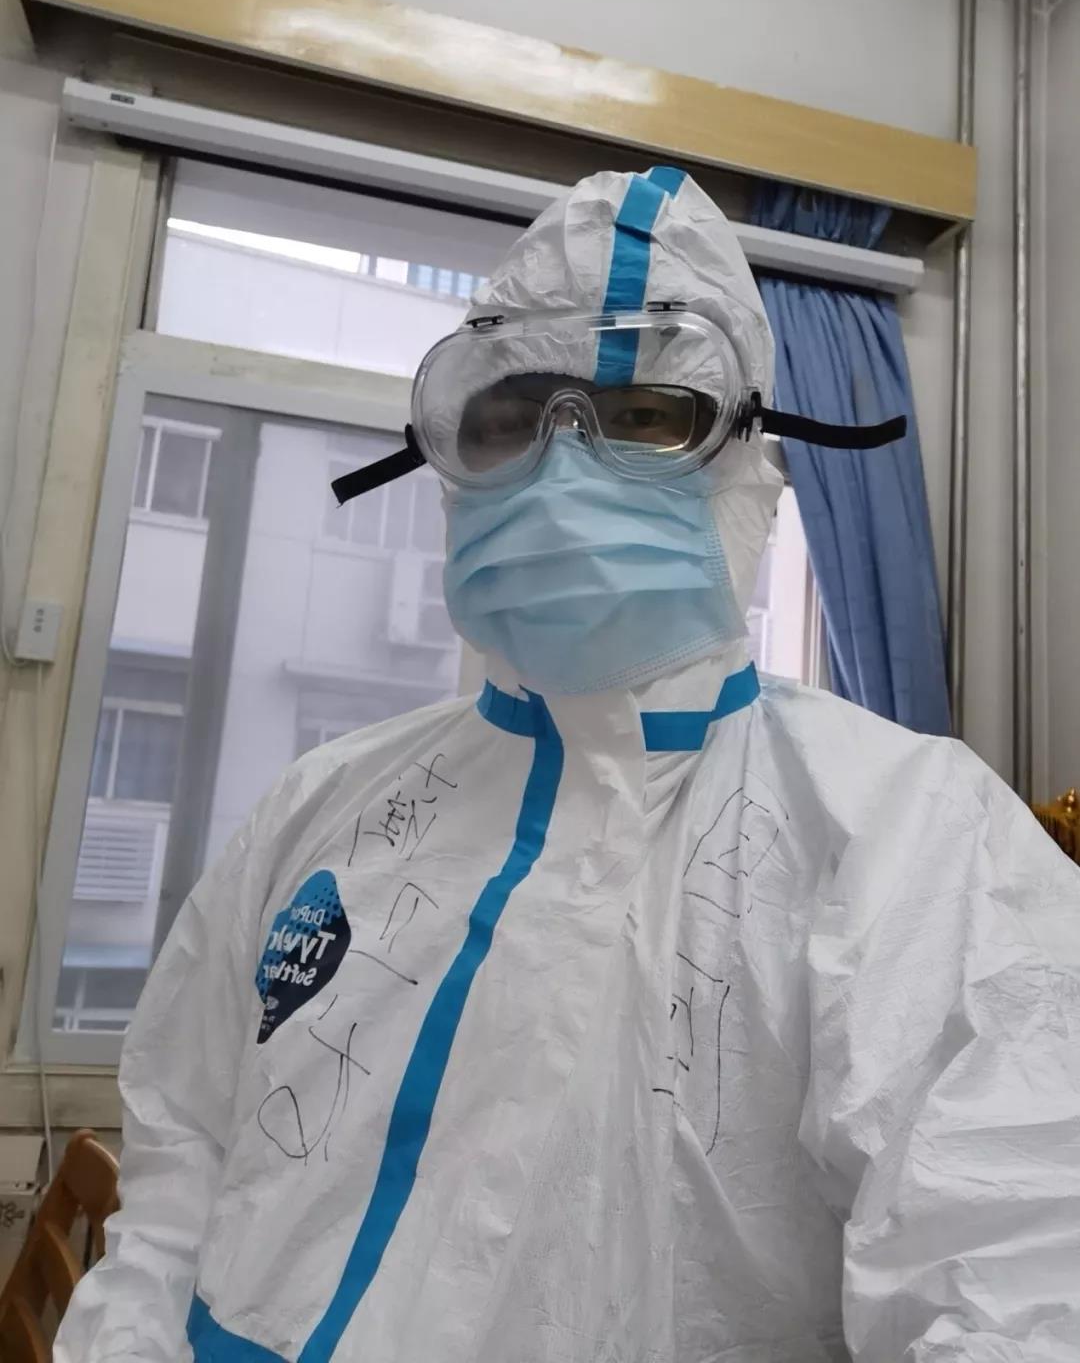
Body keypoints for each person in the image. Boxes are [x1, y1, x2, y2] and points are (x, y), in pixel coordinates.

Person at [55, 169, 1080, 1363]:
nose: (562, 474)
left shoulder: (912, 836)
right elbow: (182, 1161)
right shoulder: (323, 805)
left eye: (645, 417)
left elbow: (1017, 1273)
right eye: (510, 421)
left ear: (750, 458)